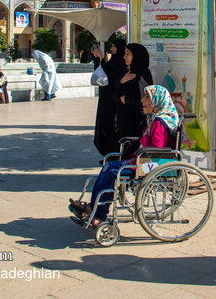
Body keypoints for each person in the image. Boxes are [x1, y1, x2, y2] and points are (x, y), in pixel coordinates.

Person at [69, 85, 179, 226]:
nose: (143, 101)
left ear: (157, 101)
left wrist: (135, 157)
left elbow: (157, 149)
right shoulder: (155, 119)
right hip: (145, 160)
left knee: (112, 171)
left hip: (151, 164)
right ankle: (93, 207)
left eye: (147, 98)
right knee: (108, 166)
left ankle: (99, 213)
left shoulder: (159, 122)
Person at [91, 38, 128, 156]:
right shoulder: (114, 61)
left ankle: (114, 155)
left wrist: (102, 58)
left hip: (114, 102)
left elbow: (107, 73)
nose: (111, 49)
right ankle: (109, 154)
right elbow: (100, 74)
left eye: (113, 47)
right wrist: (98, 58)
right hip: (107, 100)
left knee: (112, 128)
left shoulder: (121, 63)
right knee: (105, 127)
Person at [115, 43, 153, 155]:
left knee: (133, 148)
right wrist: (121, 81)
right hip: (125, 118)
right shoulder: (127, 72)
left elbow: (145, 97)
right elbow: (114, 94)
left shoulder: (143, 73)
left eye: (128, 54)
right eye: (125, 54)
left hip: (136, 119)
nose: (124, 57)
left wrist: (127, 99)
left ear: (136, 56)